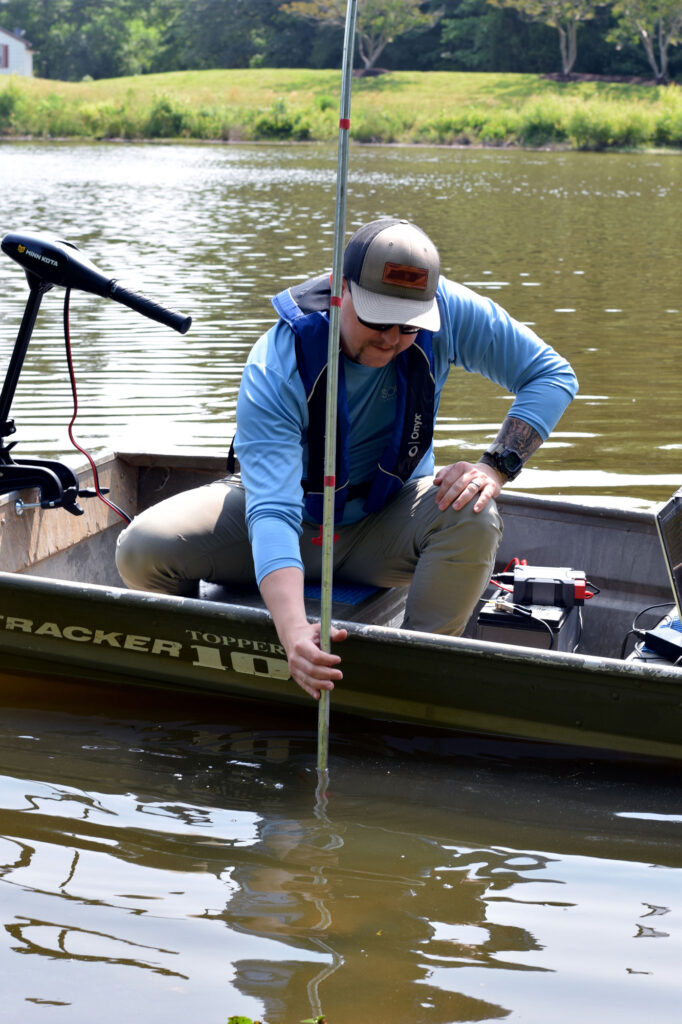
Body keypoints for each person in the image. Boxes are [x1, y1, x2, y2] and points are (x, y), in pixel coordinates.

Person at [116, 218, 578, 699]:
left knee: (473, 516)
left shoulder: (449, 312)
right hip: (288, 520)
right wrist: (295, 632)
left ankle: (410, 687)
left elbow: (551, 375)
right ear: (341, 291)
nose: (391, 339)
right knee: (143, 549)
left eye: (408, 327)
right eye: (377, 321)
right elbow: (272, 511)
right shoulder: (278, 363)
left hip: (384, 522)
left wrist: (494, 467)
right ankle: (197, 674)